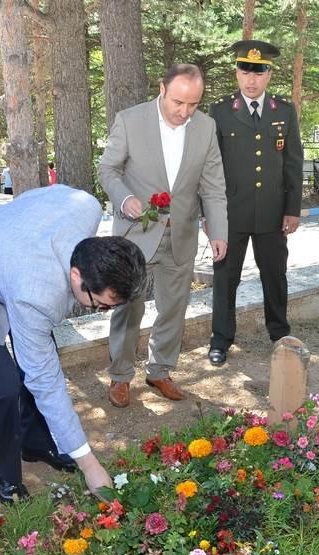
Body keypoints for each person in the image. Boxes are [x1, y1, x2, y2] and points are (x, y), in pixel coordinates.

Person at [0, 185, 147, 504]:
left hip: (5, 256)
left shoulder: (85, 205)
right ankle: (5, 474)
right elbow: (46, 382)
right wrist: (91, 466)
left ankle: (36, 444)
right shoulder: (36, 294)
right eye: (100, 304)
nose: (102, 311)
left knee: (38, 358)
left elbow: (35, 199)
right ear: (77, 275)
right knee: (4, 385)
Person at [98, 63, 229, 408]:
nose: (185, 112)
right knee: (128, 307)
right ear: (162, 89)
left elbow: (213, 186)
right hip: (135, 234)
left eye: (193, 104)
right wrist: (124, 198)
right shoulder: (130, 120)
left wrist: (218, 230)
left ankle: (160, 370)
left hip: (181, 233)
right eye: (178, 103)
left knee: (174, 307)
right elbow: (108, 169)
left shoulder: (206, 127)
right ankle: (120, 375)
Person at [207, 40, 303, 366]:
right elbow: (210, 168)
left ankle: (280, 334)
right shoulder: (220, 111)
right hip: (230, 214)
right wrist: (210, 215)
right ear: (236, 73)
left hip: (273, 214)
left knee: (274, 275)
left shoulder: (284, 111)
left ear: (269, 75)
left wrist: (292, 209)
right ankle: (220, 339)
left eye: (259, 73)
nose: (252, 79)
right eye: (245, 71)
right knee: (225, 278)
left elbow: (293, 164)